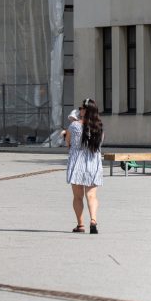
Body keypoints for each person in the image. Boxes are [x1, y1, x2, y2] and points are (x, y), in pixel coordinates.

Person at [66, 98, 104, 234]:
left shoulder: (74, 126)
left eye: (81, 107)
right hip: (93, 164)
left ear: (85, 110)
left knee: (77, 197)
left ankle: (80, 225)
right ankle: (93, 220)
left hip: (77, 164)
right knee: (92, 195)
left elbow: (68, 143)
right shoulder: (99, 127)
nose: (79, 109)